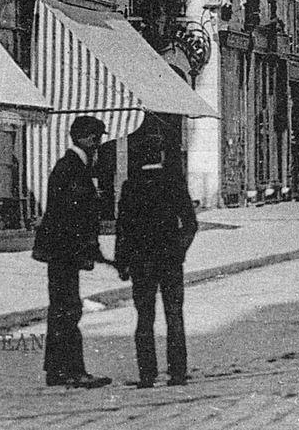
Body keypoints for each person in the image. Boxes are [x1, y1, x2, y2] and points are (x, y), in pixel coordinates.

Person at [32, 115, 113, 389]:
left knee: (61, 310)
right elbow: (74, 217)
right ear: (86, 138)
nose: (98, 143)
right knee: (68, 311)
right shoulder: (74, 168)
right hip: (65, 252)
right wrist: (90, 249)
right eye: (97, 138)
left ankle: (56, 371)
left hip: (60, 251)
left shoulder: (69, 166)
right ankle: (73, 371)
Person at [114, 135, 197, 388]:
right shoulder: (174, 183)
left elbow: (123, 229)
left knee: (144, 317)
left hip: (141, 262)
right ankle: (178, 373)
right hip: (170, 260)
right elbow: (191, 225)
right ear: (160, 155)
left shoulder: (130, 186)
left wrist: (122, 262)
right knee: (174, 315)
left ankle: (147, 374)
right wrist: (179, 251)